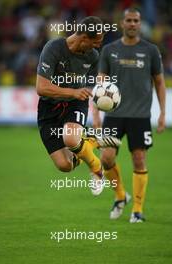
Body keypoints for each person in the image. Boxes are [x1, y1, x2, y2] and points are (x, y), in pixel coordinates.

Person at [93, 8, 166, 222]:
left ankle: (137, 210)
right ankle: (119, 196)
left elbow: (159, 83)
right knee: (106, 159)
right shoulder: (109, 50)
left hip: (140, 115)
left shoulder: (151, 50)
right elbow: (100, 84)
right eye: (129, 20)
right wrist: (95, 115)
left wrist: (162, 113)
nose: (133, 24)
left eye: (136, 20)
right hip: (114, 115)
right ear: (122, 23)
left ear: (140, 23)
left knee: (139, 160)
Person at [36, 16, 120, 196]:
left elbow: (97, 89)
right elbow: (41, 88)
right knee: (64, 166)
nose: (98, 46)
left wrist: (97, 113)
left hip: (75, 103)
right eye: (96, 41)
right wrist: (73, 92)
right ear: (84, 38)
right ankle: (90, 140)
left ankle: (96, 168)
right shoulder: (54, 48)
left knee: (71, 139)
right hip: (49, 107)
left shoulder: (93, 56)